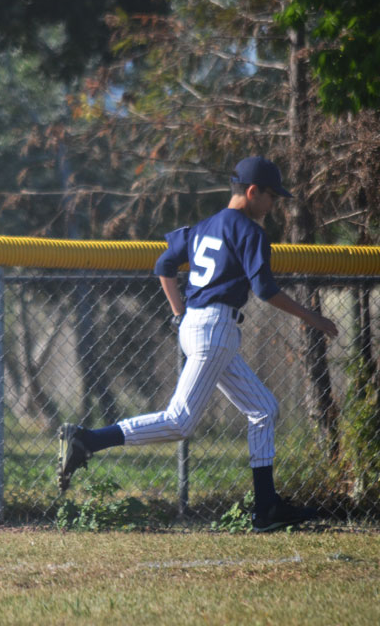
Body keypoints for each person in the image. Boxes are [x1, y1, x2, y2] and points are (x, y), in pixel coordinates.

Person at [57, 156, 338, 533]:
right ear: (252, 192)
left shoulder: (203, 227)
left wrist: (179, 314)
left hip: (197, 325)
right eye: (271, 196)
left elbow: (164, 265)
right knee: (180, 421)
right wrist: (313, 318)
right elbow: (265, 289)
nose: (274, 204)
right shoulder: (250, 231)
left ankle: (267, 507)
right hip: (216, 328)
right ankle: (88, 440)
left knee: (263, 409)